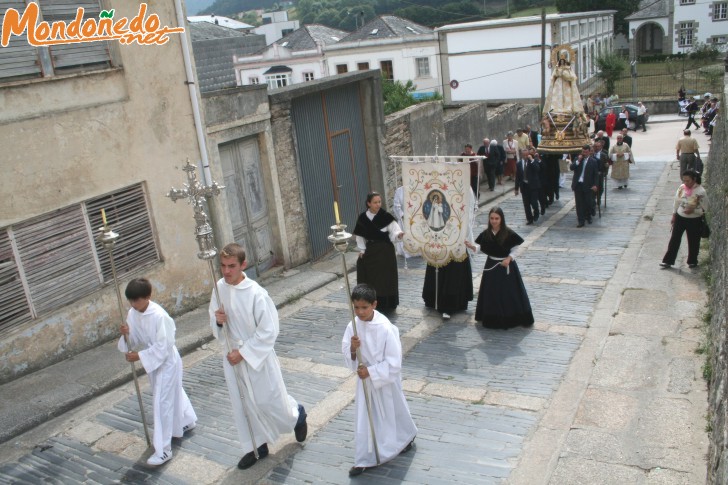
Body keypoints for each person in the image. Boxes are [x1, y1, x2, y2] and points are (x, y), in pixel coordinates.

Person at [209, 243, 308, 470]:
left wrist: (243, 353)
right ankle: (256, 447)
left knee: (268, 401)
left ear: (243, 265)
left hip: (256, 358)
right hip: (231, 357)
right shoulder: (218, 289)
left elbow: (268, 330)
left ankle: (296, 415)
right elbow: (214, 320)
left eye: (231, 266)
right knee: (242, 404)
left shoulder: (256, 293)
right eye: (223, 266)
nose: (226, 271)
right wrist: (218, 320)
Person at [118, 278, 197, 466]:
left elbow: (164, 346)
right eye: (131, 300)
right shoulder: (133, 313)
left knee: (162, 402)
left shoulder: (160, 316)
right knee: (172, 393)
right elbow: (134, 338)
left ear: (147, 297)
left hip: (167, 361)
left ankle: (163, 450)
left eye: (136, 300)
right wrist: (126, 334)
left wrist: (140, 356)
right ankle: (187, 419)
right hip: (153, 361)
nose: (133, 304)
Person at [343, 284, 417, 477]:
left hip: (384, 381)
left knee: (393, 411)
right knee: (366, 417)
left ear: (374, 304)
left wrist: (372, 371)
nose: (360, 312)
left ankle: (405, 436)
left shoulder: (386, 328)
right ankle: (365, 457)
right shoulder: (352, 325)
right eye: (356, 307)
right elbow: (347, 353)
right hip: (365, 382)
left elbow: (394, 361)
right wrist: (352, 348)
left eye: (364, 308)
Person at [466, 207, 534, 329]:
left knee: (508, 293)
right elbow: (483, 248)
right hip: (492, 265)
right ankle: (492, 317)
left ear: (501, 219)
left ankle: (510, 318)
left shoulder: (508, 233)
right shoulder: (486, 234)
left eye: (497, 218)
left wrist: (509, 259)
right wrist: (472, 247)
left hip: (506, 267)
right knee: (491, 292)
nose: (494, 221)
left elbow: (515, 249)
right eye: (492, 218)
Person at [422, 189, 475, 319]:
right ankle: (434, 299)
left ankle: (451, 304)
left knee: (454, 275)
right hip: (439, 237)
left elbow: (467, 210)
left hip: (456, 238)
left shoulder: (465, 187)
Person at [353, 192, 404, 312]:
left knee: (386, 279)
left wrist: (399, 235)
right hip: (370, 252)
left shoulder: (386, 216)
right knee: (371, 278)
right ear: (369, 203)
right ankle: (370, 301)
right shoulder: (363, 218)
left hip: (386, 253)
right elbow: (360, 236)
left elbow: (394, 231)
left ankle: (387, 303)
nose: (378, 204)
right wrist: (362, 249)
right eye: (375, 202)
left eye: (379, 202)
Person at [660, 170, 707, 269]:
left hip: (694, 219)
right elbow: (676, 202)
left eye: (688, 181)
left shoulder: (701, 191)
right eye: (684, 180)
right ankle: (668, 261)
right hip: (680, 217)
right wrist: (674, 215)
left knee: (694, 240)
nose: (686, 183)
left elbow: (705, 208)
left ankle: (692, 261)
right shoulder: (681, 188)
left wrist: (694, 210)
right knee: (674, 239)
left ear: (694, 179)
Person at [570, 144, 599, 227]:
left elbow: (595, 175)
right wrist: (578, 161)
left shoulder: (593, 161)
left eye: (586, 152)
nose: (584, 154)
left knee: (588, 202)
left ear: (589, 152)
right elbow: (572, 167)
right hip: (578, 184)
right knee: (579, 204)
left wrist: (595, 185)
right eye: (583, 152)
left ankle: (588, 215)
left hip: (588, 184)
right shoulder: (578, 159)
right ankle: (581, 220)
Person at [515, 148, 541, 225]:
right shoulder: (519, 163)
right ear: (521, 155)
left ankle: (536, 212)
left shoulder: (533, 161)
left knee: (534, 202)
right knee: (526, 204)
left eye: (527, 155)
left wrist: (532, 160)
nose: (525, 156)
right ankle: (529, 219)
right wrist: (516, 188)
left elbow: (537, 169)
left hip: (533, 186)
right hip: (524, 186)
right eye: (524, 155)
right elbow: (518, 177)